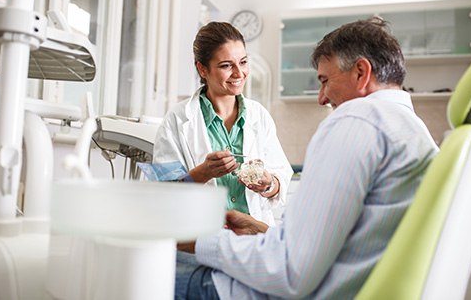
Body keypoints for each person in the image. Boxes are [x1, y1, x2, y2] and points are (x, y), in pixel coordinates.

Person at [173, 17, 439, 299]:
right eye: (227, 65)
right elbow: (334, 244)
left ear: (361, 72)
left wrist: (204, 241)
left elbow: (288, 270)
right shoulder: (414, 130)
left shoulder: (357, 120)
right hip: (301, 269)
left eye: (325, 80)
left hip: (266, 287)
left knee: (144, 270)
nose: (321, 98)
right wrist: (261, 229)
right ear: (203, 70)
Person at [153, 22, 293, 226]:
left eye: (243, 62)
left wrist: (269, 183)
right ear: (202, 69)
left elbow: (282, 178)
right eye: (226, 65)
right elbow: (162, 194)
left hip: (253, 241)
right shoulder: (177, 119)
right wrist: (203, 173)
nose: (239, 73)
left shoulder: (259, 116)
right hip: (201, 240)